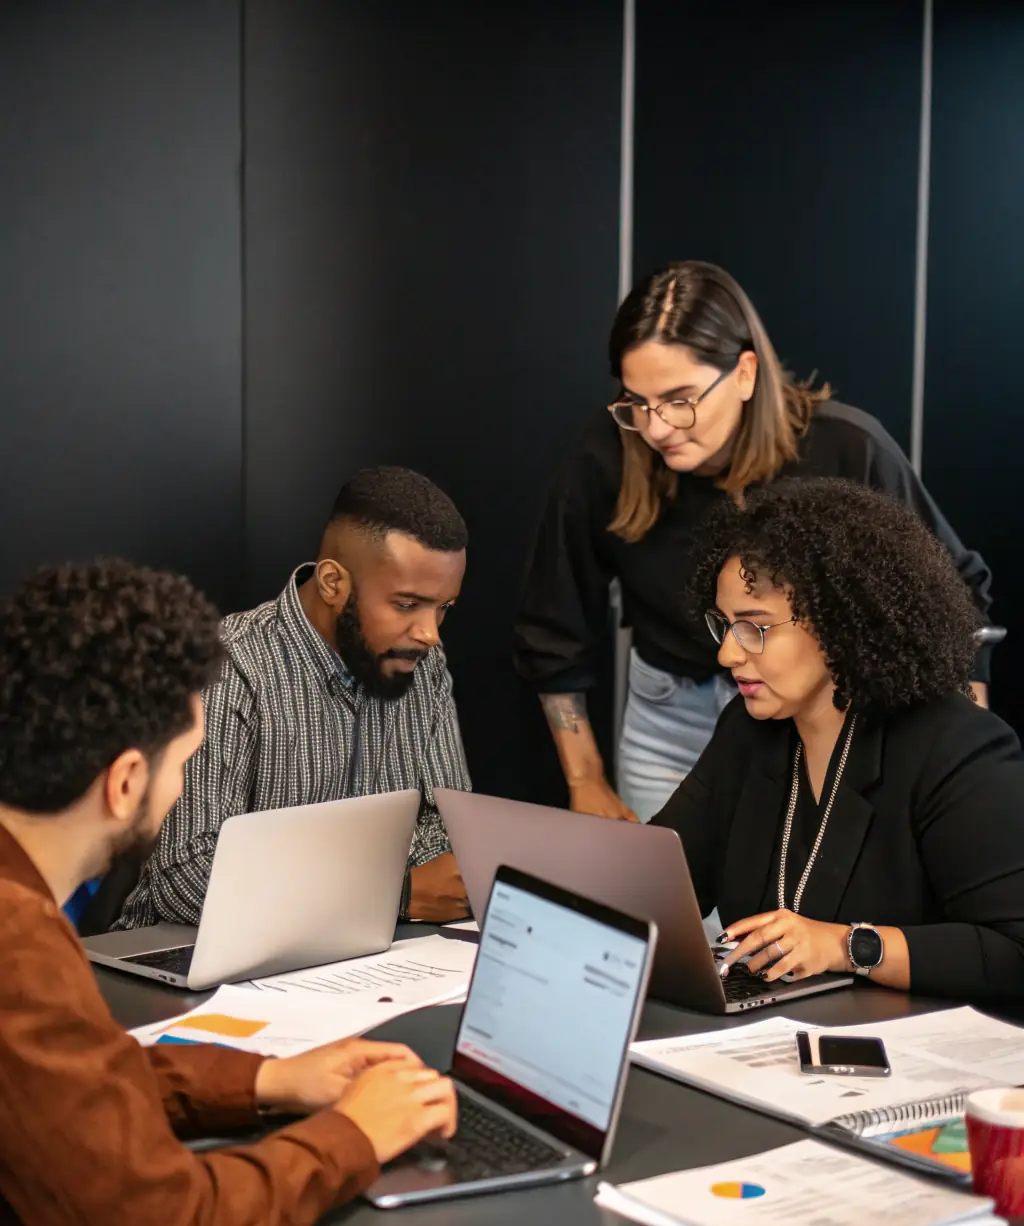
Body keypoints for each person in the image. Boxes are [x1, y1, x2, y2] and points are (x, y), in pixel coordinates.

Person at [0, 558, 457, 1226]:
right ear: (125, 781)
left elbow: (64, 1081)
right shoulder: (18, 948)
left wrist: (263, 1079)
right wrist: (354, 1133)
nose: (183, 790)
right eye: (184, 764)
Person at [514, 261, 994, 825]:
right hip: (671, 718)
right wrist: (585, 779)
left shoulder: (846, 449)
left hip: (829, 716)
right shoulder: (609, 452)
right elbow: (553, 629)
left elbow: (954, 602)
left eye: (679, 398)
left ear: (744, 373)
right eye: (636, 402)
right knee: (667, 907)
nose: (658, 427)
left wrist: (962, 762)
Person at [649, 479, 1024, 1005]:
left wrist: (849, 946)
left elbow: (1014, 951)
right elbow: (664, 884)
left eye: (755, 628)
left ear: (841, 624)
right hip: (764, 1046)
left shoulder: (957, 747)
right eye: (725, 625)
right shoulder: (749, 730)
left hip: (908, 1055)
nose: (728, 655)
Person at [120, 465, 472, 929]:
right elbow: (186, 880)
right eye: (407, 605)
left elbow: (447, 829)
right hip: (196, 959)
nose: (429, 633)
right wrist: (392, 893)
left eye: (443, 607)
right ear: (332, 583)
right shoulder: (230, 666)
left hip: (364, 955)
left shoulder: (420, 661)